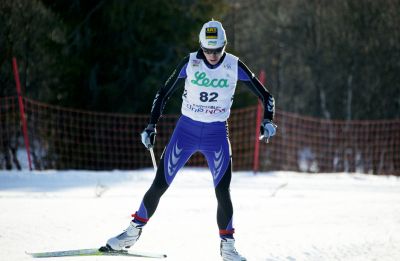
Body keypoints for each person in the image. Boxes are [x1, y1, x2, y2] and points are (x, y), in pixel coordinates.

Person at [104, 20, 276, 261]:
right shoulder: (191, 62)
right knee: (160, 184)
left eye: (217, 50)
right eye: (207, 50)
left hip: (216, 134)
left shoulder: (233, 65)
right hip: (185, 132)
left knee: (223, 191)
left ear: (224, 46)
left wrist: (268, 120)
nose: (212, 55)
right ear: (201, 47)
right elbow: (163, 93)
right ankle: (131, 234)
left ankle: (228, 246)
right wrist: (151, 125)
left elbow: (266, 96)